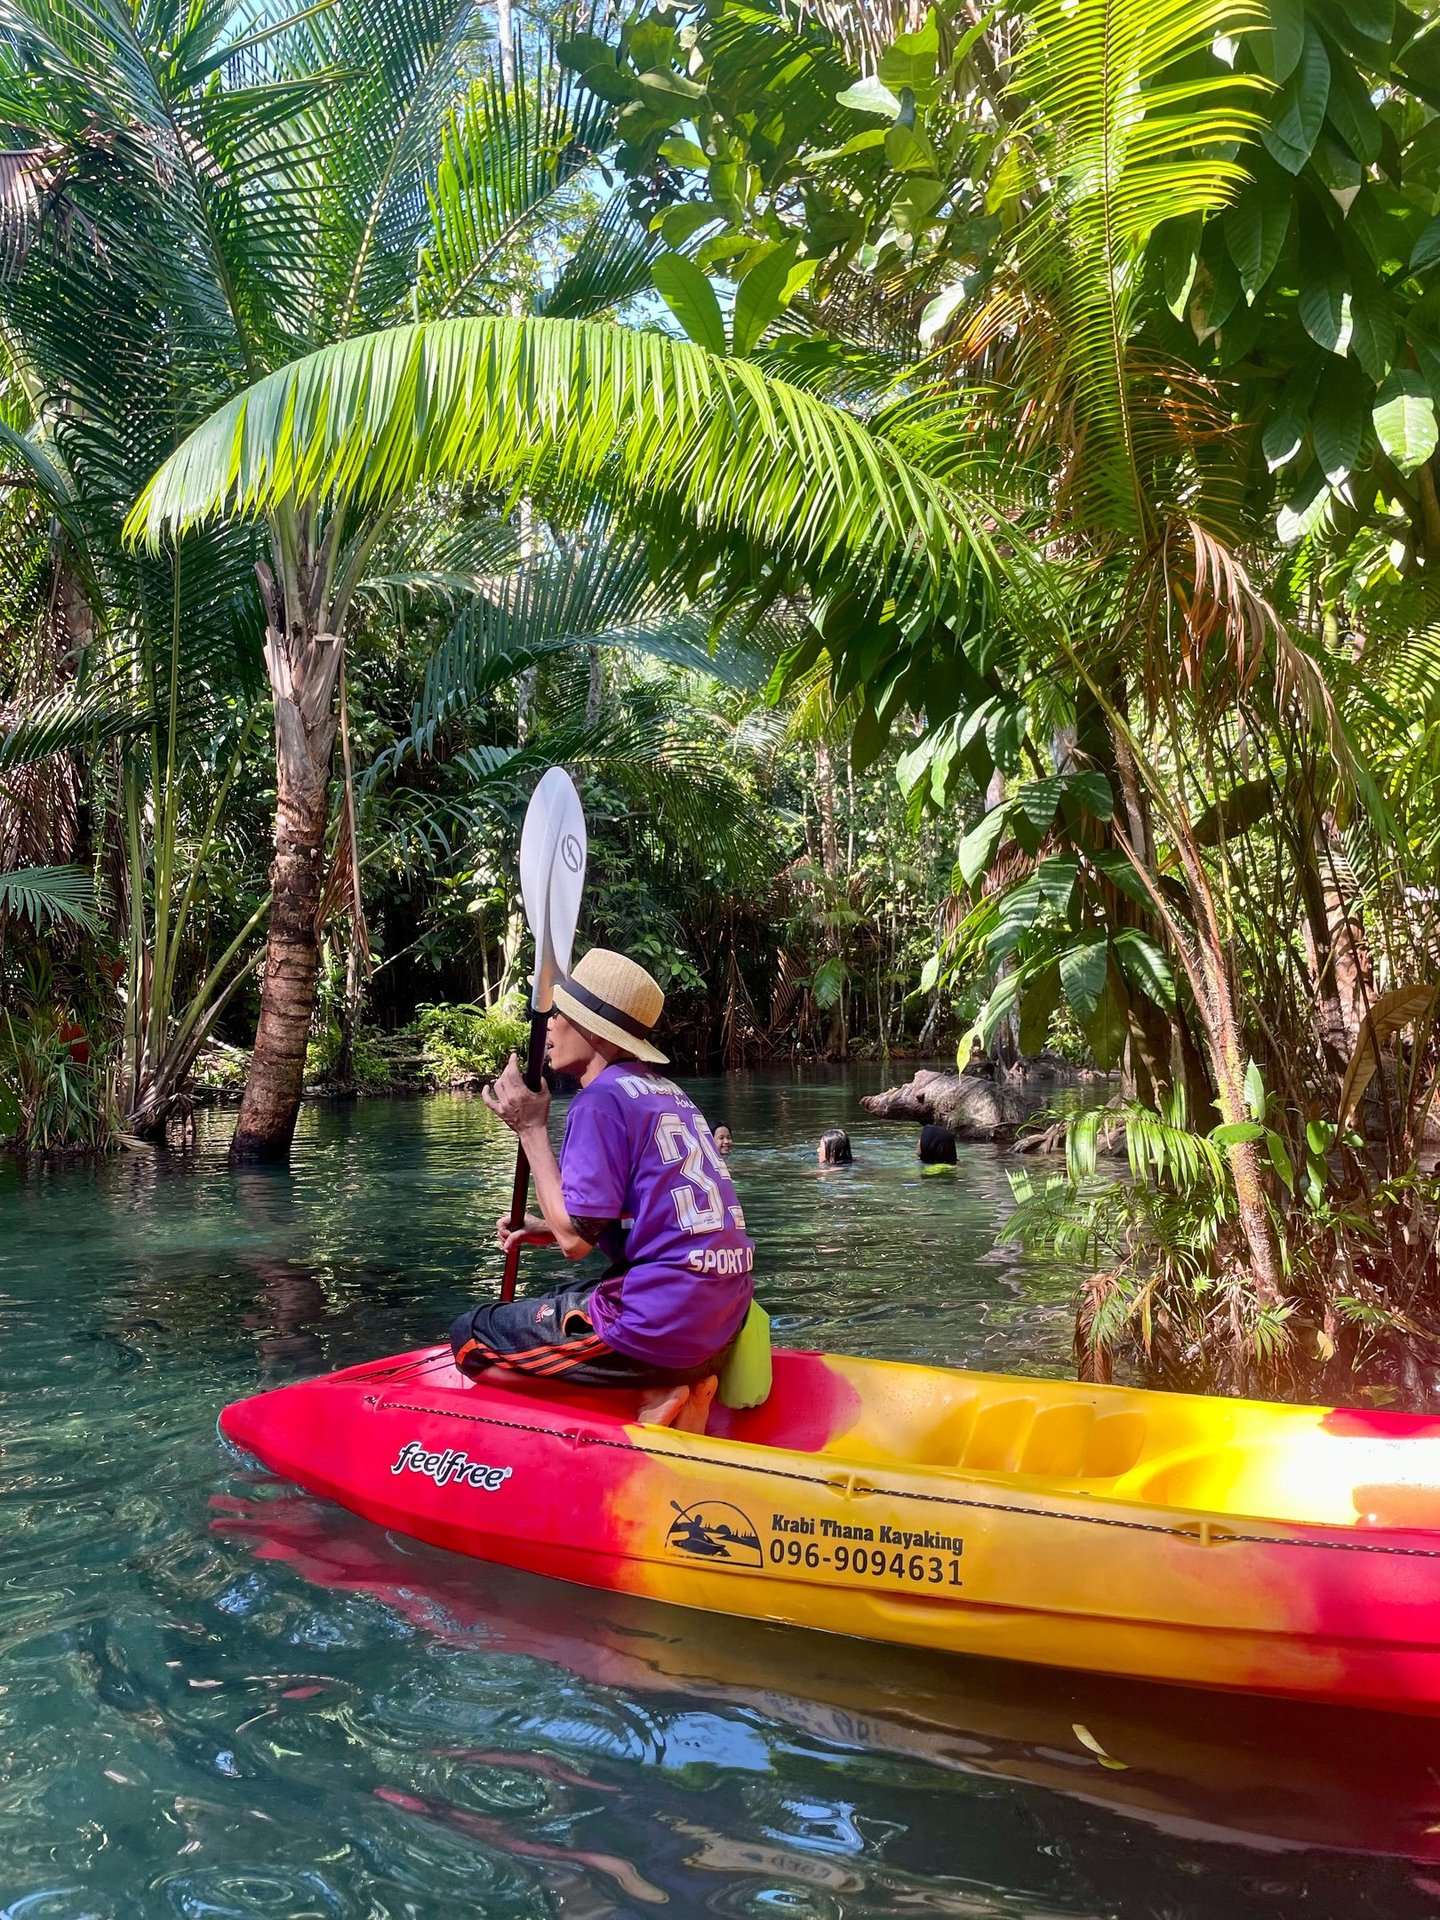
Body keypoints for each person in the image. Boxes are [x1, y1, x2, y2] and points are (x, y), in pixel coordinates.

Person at [451, 948, 754, 1433]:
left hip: (664, 1324)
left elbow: (575, 1243)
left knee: (468, 1337)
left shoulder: (600, 1101)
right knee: (568, 1293)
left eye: (559, 1016)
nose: (547, 1027)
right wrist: (540, 1226)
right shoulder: (668, 1092)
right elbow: (643, 1219)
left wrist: (530, 1128)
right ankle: (685, 1382)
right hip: (723, 1318)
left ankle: (656, 1389)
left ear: (593, 1030)